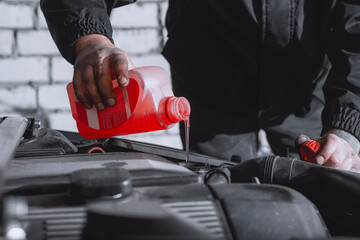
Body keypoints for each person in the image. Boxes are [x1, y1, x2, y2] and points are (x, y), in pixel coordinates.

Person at [40, 0, 360, 172]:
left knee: (318, 194)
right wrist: (91, 40)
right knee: (218, 188)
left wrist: (347, 123)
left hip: (307, 95)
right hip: (211, 90)